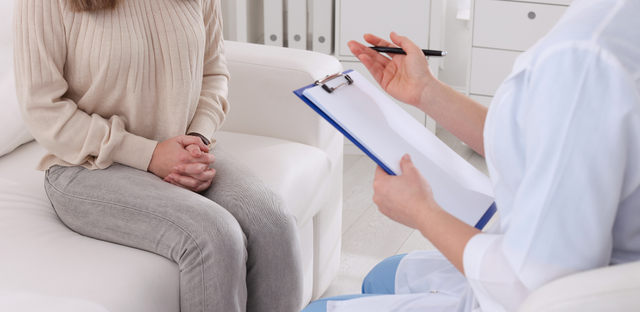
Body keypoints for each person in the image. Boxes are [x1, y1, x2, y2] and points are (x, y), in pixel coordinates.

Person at [303, 0, 640, 311]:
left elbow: (533, 285)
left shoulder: (586, 56)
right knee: (383, 274)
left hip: (548, 293)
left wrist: (423, 212)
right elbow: (533, 139)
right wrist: (427, 92)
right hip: (566, 264)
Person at [13, 0, 302, 311]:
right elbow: (42, 108)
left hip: (183, 147)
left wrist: (197, 140)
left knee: (273, 221)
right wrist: (150, 155)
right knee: (215, 236)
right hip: (89, 165)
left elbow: (214, 72)